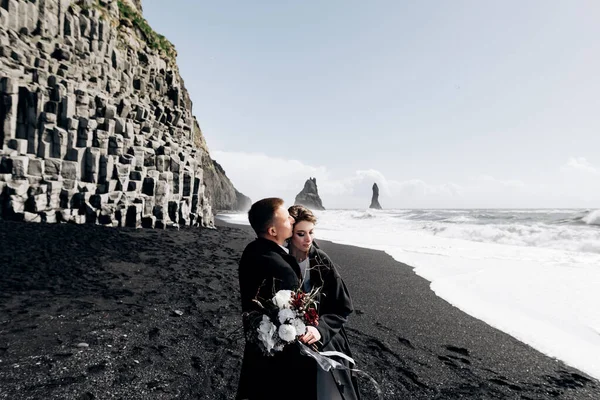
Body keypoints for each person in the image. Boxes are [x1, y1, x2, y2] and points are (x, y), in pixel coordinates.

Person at [237, 197, 322, 400]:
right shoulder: (281, 268)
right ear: (273, 231)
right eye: (287, 219)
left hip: (257, 346)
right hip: (279, 359)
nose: (292, 221)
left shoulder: (252, 250)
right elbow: (289, 318)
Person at [287, 204, 361, 400]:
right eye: (301, 233)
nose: (308, 239)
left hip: (325, 340)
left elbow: (343, 306)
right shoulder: (279, 261)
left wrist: (320, 330)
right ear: (289, 233)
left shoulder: (322, 261)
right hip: (288, 342)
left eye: (311, 232)